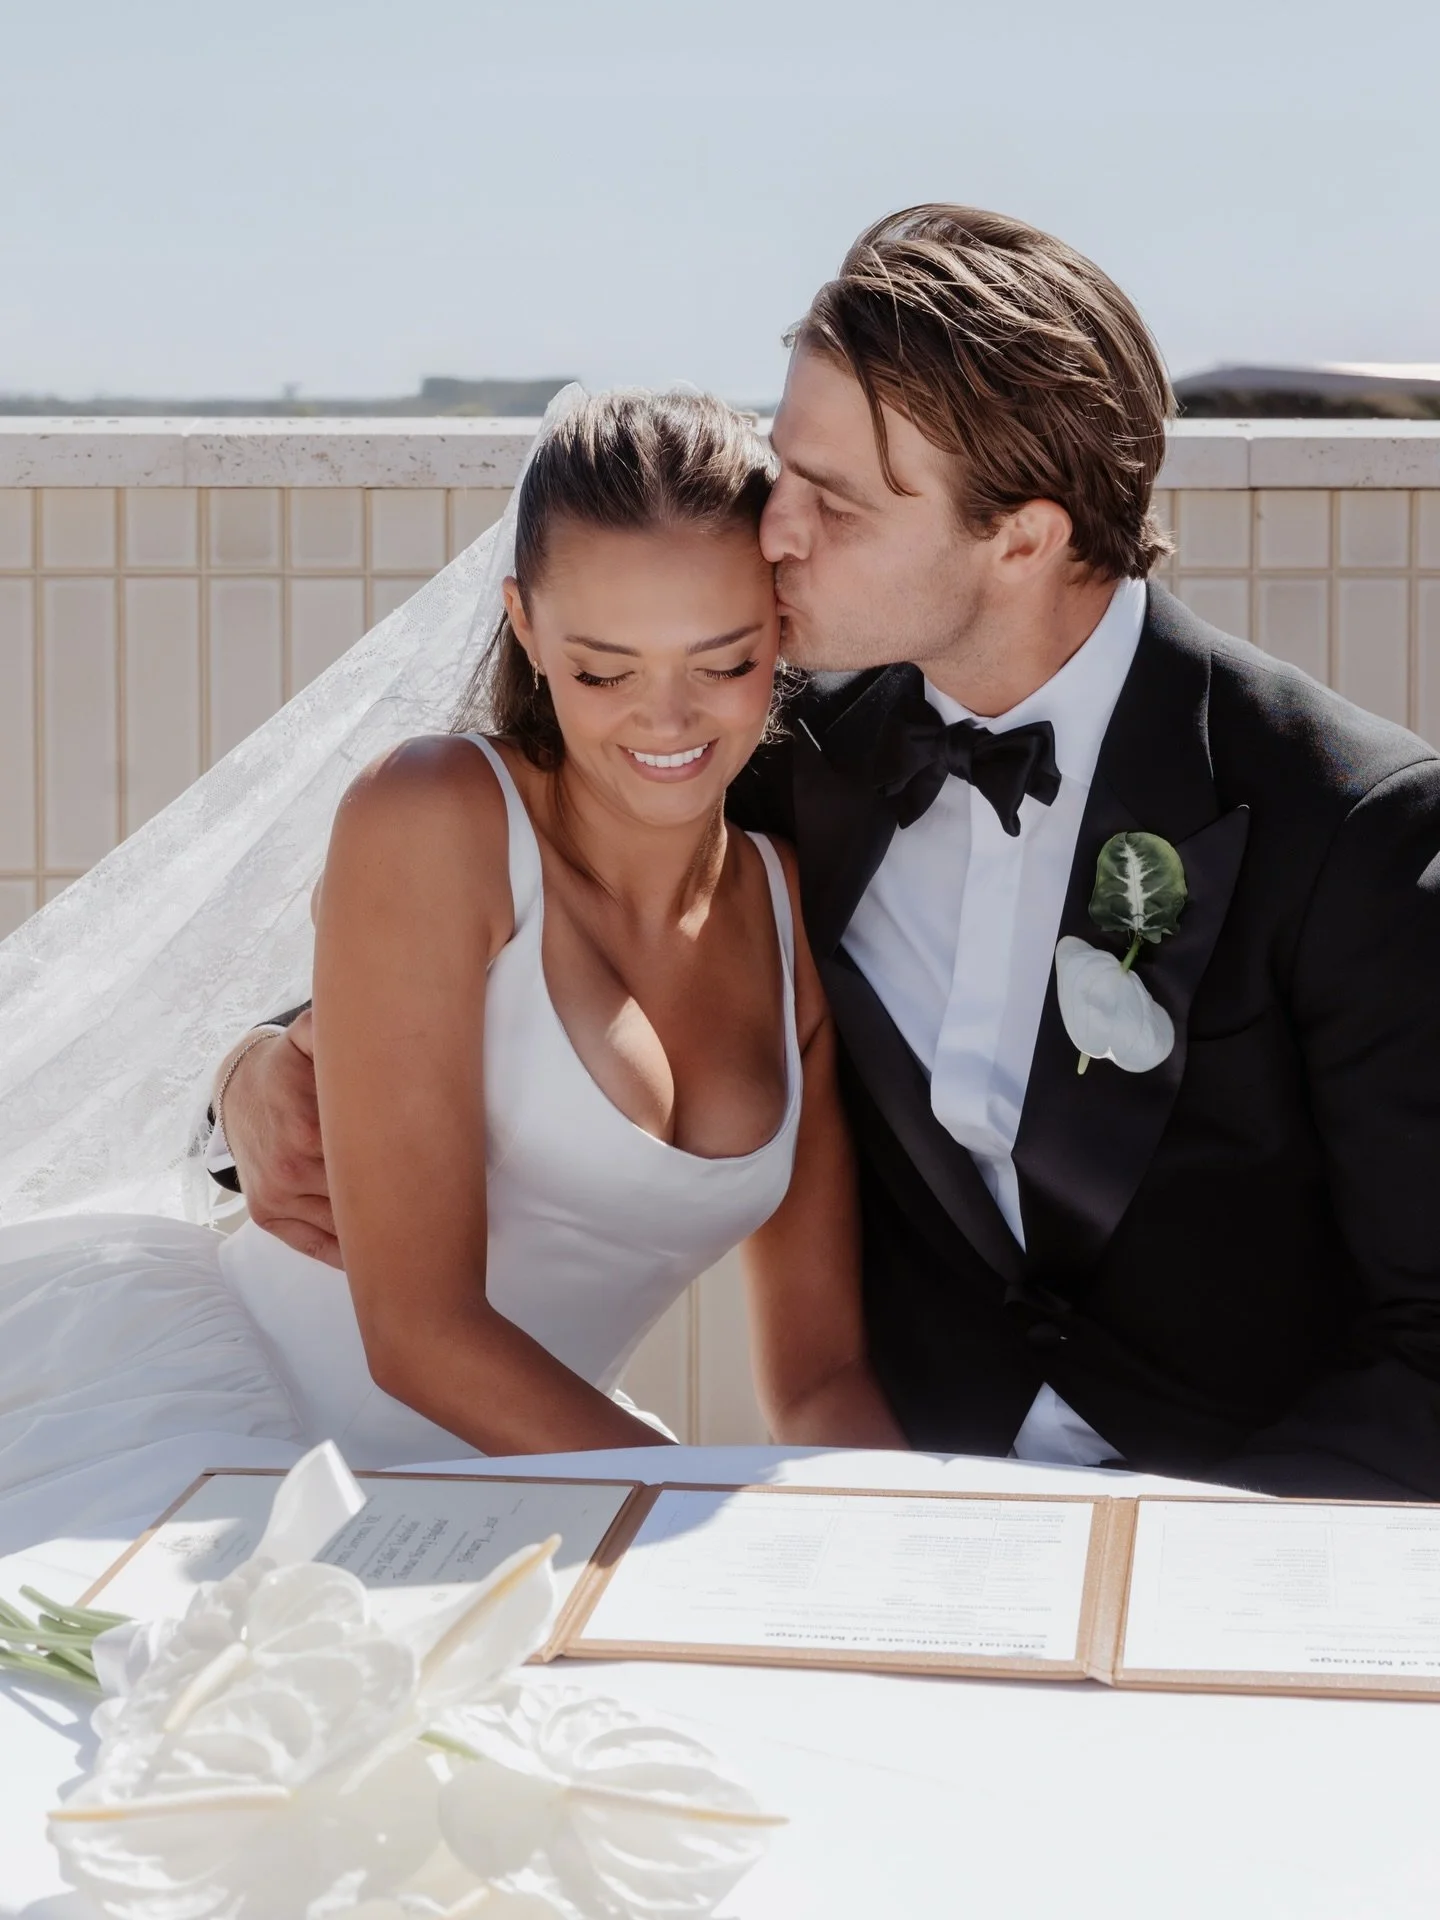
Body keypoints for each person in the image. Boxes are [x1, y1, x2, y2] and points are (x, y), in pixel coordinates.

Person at [224, 206, 1440, 1500]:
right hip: (904, 1494)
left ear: (1022, 538)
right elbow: (474, 935)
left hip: (1236, 1518)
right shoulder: (777, 752)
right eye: (780, 464)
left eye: (836, 502)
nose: (775, 530)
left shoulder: (1352, 829)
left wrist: (1214, 1572)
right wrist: (247, 1078)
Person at [0, 389, 904, 1485]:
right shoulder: (435, 816)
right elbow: (419, 1336)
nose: (665, 723)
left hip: (533, 1486)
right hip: (245, 1449)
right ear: (525, 624)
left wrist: (895, 1536)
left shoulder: (785, 910)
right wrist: (699, 1504)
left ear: (783, 623)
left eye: (721, 663)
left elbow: (819, 1376)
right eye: (604, 669)